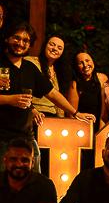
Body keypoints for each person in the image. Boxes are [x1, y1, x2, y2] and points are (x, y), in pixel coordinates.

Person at [0, 22, 94, 170]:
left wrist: (75, 113)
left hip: (25, 135)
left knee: (33, 178)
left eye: (25, 40)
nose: (20, 43)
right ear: (7, 38)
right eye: (16, 38)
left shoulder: (29, 68)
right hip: (2, 136)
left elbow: (52, 93)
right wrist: (9, 99)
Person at [28, 35, 72, 119]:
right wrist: (32, 111)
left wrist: (61, 121)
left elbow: (57, 102)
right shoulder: (31, 62)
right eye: (52, 44)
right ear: (45, 45)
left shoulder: (59, 71)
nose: (55, 48)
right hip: (33, 113)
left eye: (59, 48)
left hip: (52, 116)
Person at [67, 51, 108, 132]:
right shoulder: (74, 85)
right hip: (83, 127)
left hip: (102, 125)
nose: (85, 65)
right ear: (76, 67)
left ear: (93, 61)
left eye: (87, 60)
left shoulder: (102, 78)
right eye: (80, 63)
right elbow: (71, 115)